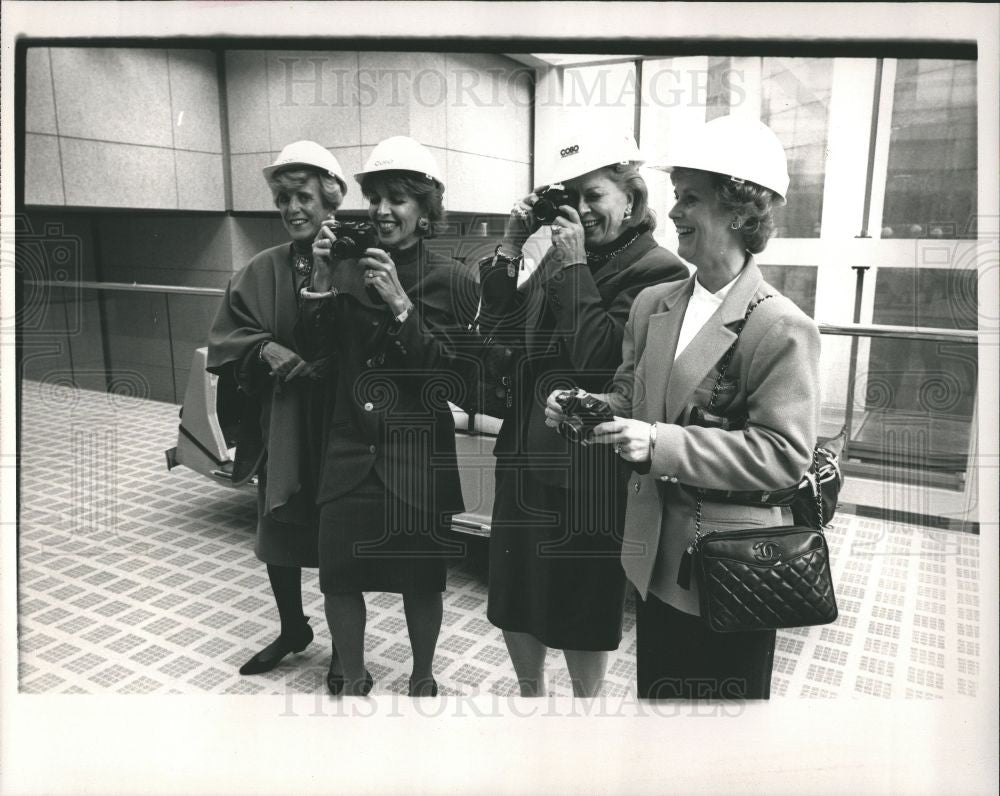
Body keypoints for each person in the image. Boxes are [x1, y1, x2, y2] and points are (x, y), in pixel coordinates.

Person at [545, 115, 821, 699]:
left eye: (690, 198)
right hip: (654, 555)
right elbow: (630, 397)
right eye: (676, 196)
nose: (673, 213)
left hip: (733, 566)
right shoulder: (654, 304)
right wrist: (584, 406)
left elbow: (783, 457)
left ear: (742, 213)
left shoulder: (779, 326)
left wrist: (660, 443)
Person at [479, 129, 688, 697]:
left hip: (588, 471)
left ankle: (583, 715)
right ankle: (530, 696)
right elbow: (497, 333)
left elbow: (601, 360)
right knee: (514, 596)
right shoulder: (553, 254)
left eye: (592, 194)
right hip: (523, 452)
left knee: (577, 602)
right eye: (568, 195)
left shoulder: (657, 270)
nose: (581, 209)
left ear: (630, 197)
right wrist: (511, 248)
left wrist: (571, 269)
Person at [297, 136, 477, 697]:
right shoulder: (344, 267)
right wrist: (323, 282)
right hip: (350, 451)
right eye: (374, 197)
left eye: (397, 198)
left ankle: (423, 677)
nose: (381, 211)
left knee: (422, 582)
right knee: (339, 580)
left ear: (426, 210)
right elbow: (319, 359)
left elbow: (457, 380)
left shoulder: (453, 278)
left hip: (416, 457)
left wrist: (402, 307)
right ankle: (352, 676)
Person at [206, 140, 346, 676]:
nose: (292, 209)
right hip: (283, 422)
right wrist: (263, 347)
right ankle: (293, 627)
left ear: (330, 198)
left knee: (336, 535)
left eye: (303, 196)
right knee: (279, 532)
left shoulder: (357, 261)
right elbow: (226, 337)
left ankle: (344, 647)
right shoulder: (259, 269)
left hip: (339, 422)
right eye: (283, 197)